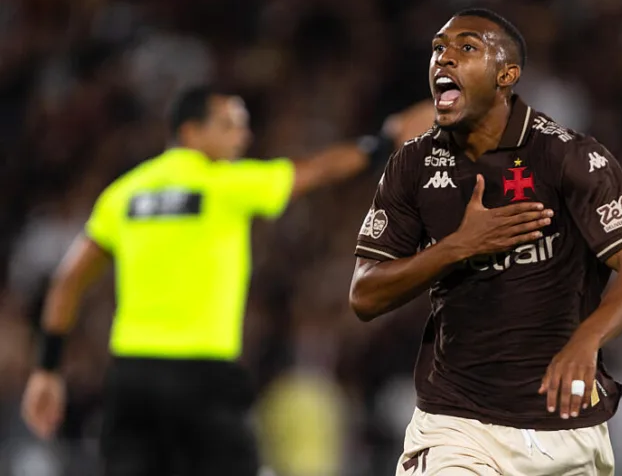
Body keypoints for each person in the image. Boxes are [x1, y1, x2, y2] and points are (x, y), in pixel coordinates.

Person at [19, 86, 435, 476]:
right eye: (229, 125)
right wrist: (384, 140)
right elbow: (315, 171)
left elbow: (67, 281)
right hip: (202, 376)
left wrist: (47, 369)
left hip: (131, 380)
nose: (243, 136)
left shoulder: (124, 194)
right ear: (190, 132)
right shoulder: (224, 184)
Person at [349, 8, 622, 475]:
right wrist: (457, 247)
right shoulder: (413, 165)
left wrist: (587, 340)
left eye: (467, 47)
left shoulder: (567, 156)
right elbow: (365, 294)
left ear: (507, 75)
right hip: (456, 423)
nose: (444, 58)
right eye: (438, 48)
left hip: (563, 425)